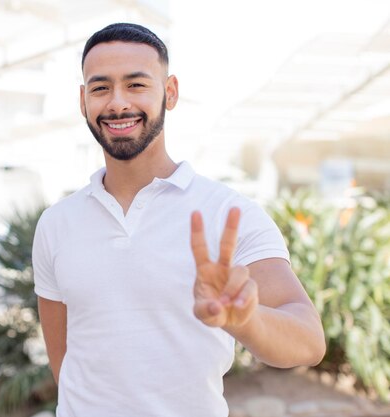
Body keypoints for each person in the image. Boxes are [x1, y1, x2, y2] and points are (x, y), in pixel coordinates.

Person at [33, 22, 325, 417]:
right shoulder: (56, 224)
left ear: (169, 93)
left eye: (136, 85)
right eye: (101, 88)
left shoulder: (228, 213)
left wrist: (245, 320)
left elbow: (309, 341)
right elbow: (65, 361)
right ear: (83, 100)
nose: (117, 103)